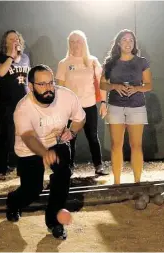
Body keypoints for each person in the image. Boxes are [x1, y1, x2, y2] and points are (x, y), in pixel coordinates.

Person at [6, 64, 86, 240]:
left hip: (56, 142)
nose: (48, 88)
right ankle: (13, 202)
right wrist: (44, 153)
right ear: (31, 86)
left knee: (63, 175)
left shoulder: (66, 96)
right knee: (32, 191)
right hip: (29, 149)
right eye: (42, 84)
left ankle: (54, 222)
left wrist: (72, 131)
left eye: (50, 83)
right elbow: (28, 137)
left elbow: (80, 118)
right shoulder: (23, 108)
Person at [100, 29, 153, 185]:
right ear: (118, 43)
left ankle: (137, 182)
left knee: (136, 145)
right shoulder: (110, 62)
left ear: (134, 43)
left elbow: (149, 85)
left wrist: (137, 88)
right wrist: (115, 86)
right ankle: (117, 182)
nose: (128, 43)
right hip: (115, 106)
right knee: (116, 145)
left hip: (136, 106)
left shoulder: (141, 61)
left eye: (131, 40)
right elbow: (102, 84)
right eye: (124, 40)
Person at [56, 30, 108, 175]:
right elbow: (59, 88)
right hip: (70, 109)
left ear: (84, 42)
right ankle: (69, 167)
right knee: (69, 138)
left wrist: (104, 102)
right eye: (72, 41)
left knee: (92, 136)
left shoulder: (92, 61)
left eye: (78, 41)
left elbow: (102, 82)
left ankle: (98, 166)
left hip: (89, 105)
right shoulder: (64, 63)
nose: (75, 44)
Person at [0, 30, 31, 180]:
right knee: (6, 136)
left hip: (23, 103)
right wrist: (10, 56)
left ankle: (22, 169)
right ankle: (0, 169)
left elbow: (27, 80)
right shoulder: (1, 57)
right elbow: (1, 72)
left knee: (24, 136)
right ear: (6, 42)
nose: (15, 40)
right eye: (11, 38)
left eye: (17, 38)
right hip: (7, 104)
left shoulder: (26, 58)